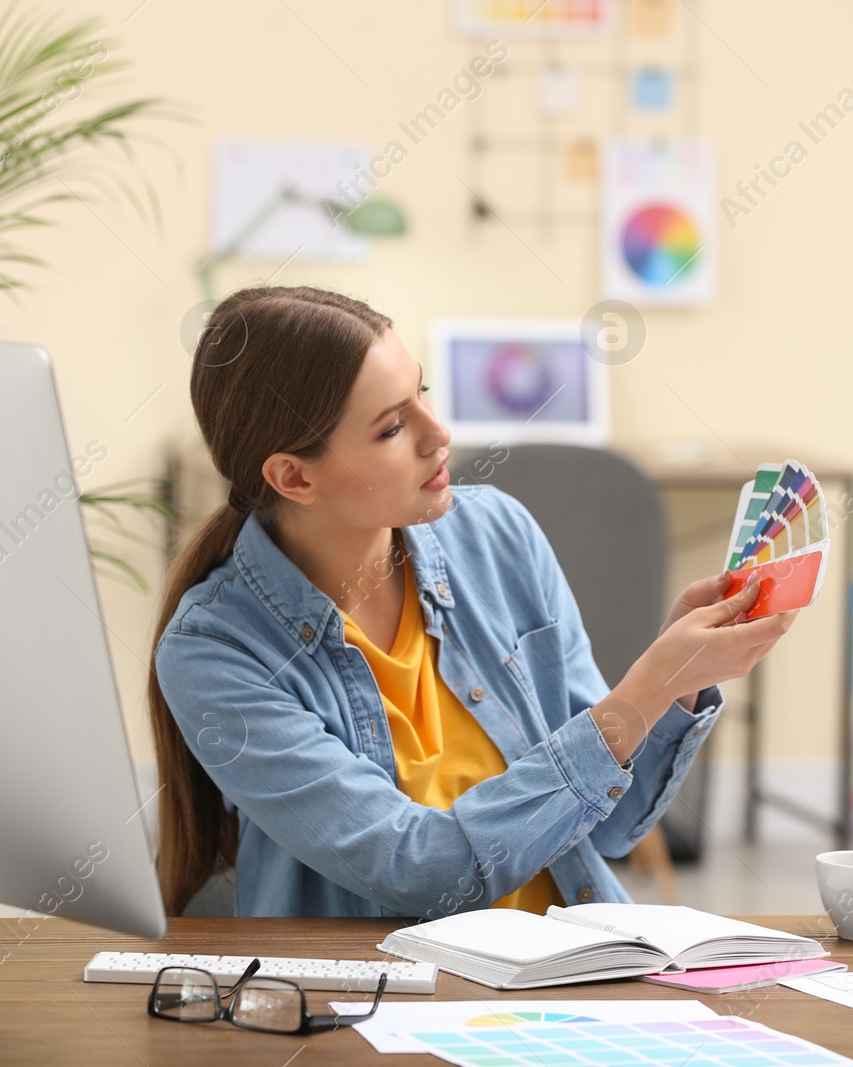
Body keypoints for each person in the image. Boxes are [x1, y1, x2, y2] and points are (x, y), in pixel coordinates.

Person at [149, 285, 797, 919]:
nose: (439, 434)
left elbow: (611, 826)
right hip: (384, 1007)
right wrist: (646, 689)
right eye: (393, 427)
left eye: (422, 393)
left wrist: (677, 682)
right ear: (294, 476)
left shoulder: (498, 534)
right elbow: (421, 871)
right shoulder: (216, 651)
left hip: (572, 967)